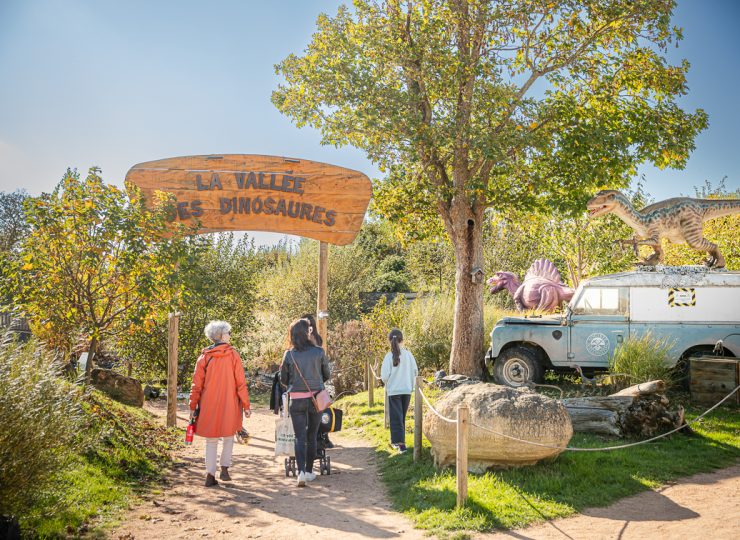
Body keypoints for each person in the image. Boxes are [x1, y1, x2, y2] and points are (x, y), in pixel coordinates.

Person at [189, 320, 251, 487]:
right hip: (230, 403)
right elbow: (240, 382)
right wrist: (246, 405)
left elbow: (196, 384)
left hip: (208, 403)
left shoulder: (204, 357)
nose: (230, 335)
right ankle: (224, 469)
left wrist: (192, 405)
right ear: (222, 335)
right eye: (228, 332)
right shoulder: (233, 355)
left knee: (211, 440)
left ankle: (210, 474)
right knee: (229, 436)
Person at [280, 318, 331, 487]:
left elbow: (284, 379)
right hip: (316, 398)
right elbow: (327, 374)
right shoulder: (318, 352)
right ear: (307, 333)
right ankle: (309, 471)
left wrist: (296, 385)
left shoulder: (289, 354)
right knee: (312, 435)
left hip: (297, 400)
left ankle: (300, 472)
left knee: (299, 436)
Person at [380, 328, 418, 453]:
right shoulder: (409, 355)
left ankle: (401, 445)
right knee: (400, 417)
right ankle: (396, 442)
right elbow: (415, 372)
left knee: (396, 418)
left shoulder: (388, 356)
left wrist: (389, 382)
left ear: (389, 341)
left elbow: (384, 376)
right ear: (403, 341)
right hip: (407, 390)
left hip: (394, 391)